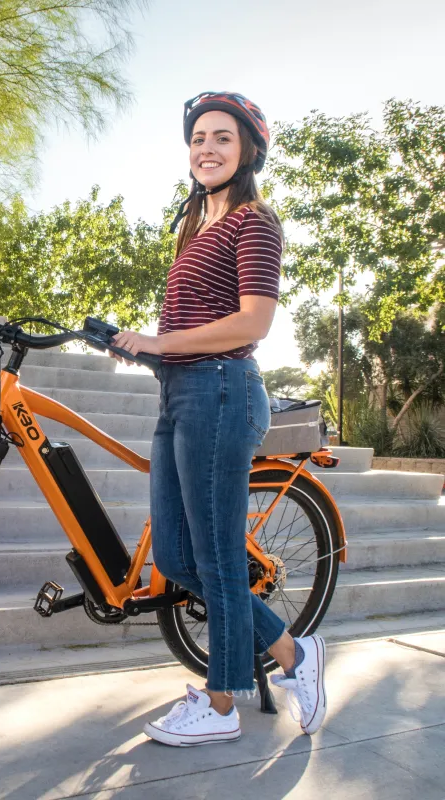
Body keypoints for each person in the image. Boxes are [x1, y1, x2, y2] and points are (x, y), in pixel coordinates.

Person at [110, 91, 326, 747]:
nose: (206, 147)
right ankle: (294, 654)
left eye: (222, 138)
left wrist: (160, 342)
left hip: (222, 392)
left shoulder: (255, 221)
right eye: (199, 137)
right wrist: (140, 345)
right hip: (180, 395)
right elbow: (191, 322)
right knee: (176, 557)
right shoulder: (194, 226)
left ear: (248, 150)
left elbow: (252, 322)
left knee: (222, 562)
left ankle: (222, 704)